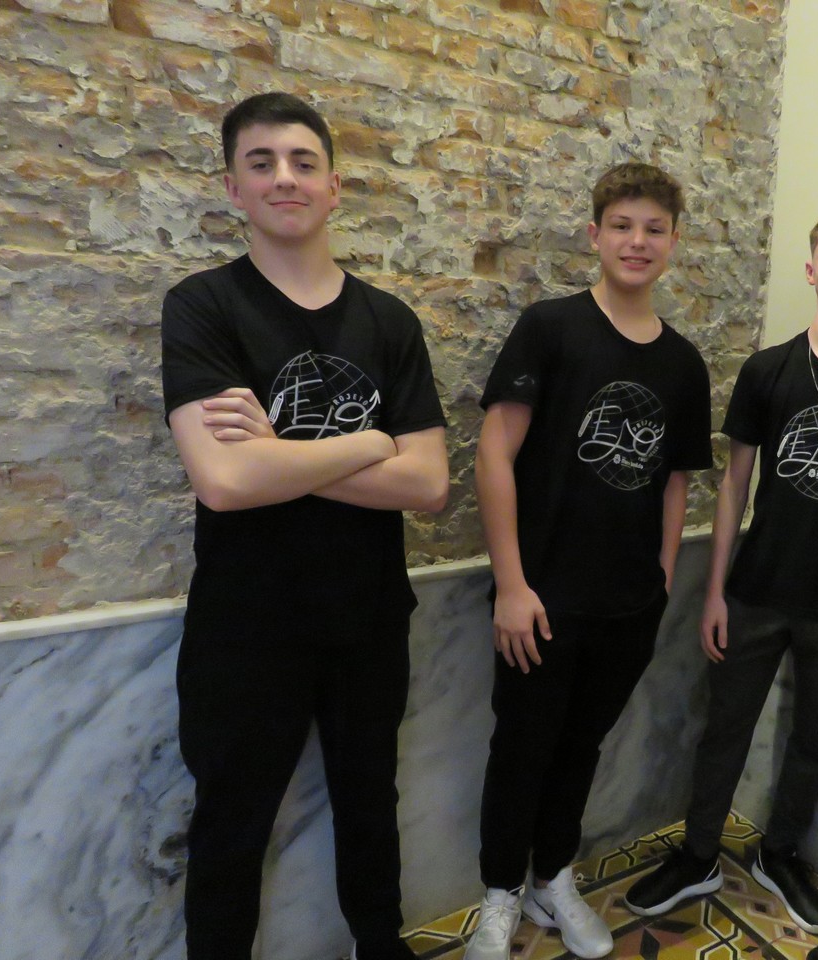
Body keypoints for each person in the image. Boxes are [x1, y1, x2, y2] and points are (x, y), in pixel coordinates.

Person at [160, 92, 449, 960]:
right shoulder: (203, 307)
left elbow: (429, 483)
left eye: (302, 162)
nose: (284, 177)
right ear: (233, 188)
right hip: (245, 626)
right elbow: (225, 482)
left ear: (334, 187)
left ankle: (379, 946)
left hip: (368, 617)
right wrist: (368, 442)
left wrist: (278, 454)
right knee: (231, 825)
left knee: (370, 804)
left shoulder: (389, 321)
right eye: (261, 163)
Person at [622, 205, 818, 934]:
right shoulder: (768, 370)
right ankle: (699, 854)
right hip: (757, 592)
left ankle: (782, 852)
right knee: (724, 729)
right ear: (810, 268)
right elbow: (734, 486)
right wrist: (715, 591)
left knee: (815, 740)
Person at [464, 162, 713, 960]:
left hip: (629, 603)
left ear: (673, 241)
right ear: (595, 235)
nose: (638, 241)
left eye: (654, 229)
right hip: (540, 598)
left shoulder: (683, 363)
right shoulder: (551, 328)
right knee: (522, 750)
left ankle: (552, 877)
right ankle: (499, 894)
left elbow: (674, 480)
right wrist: (511, 583)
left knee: (580, 749)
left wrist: (663, 577)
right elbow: (494, 453)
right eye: (622, 226)